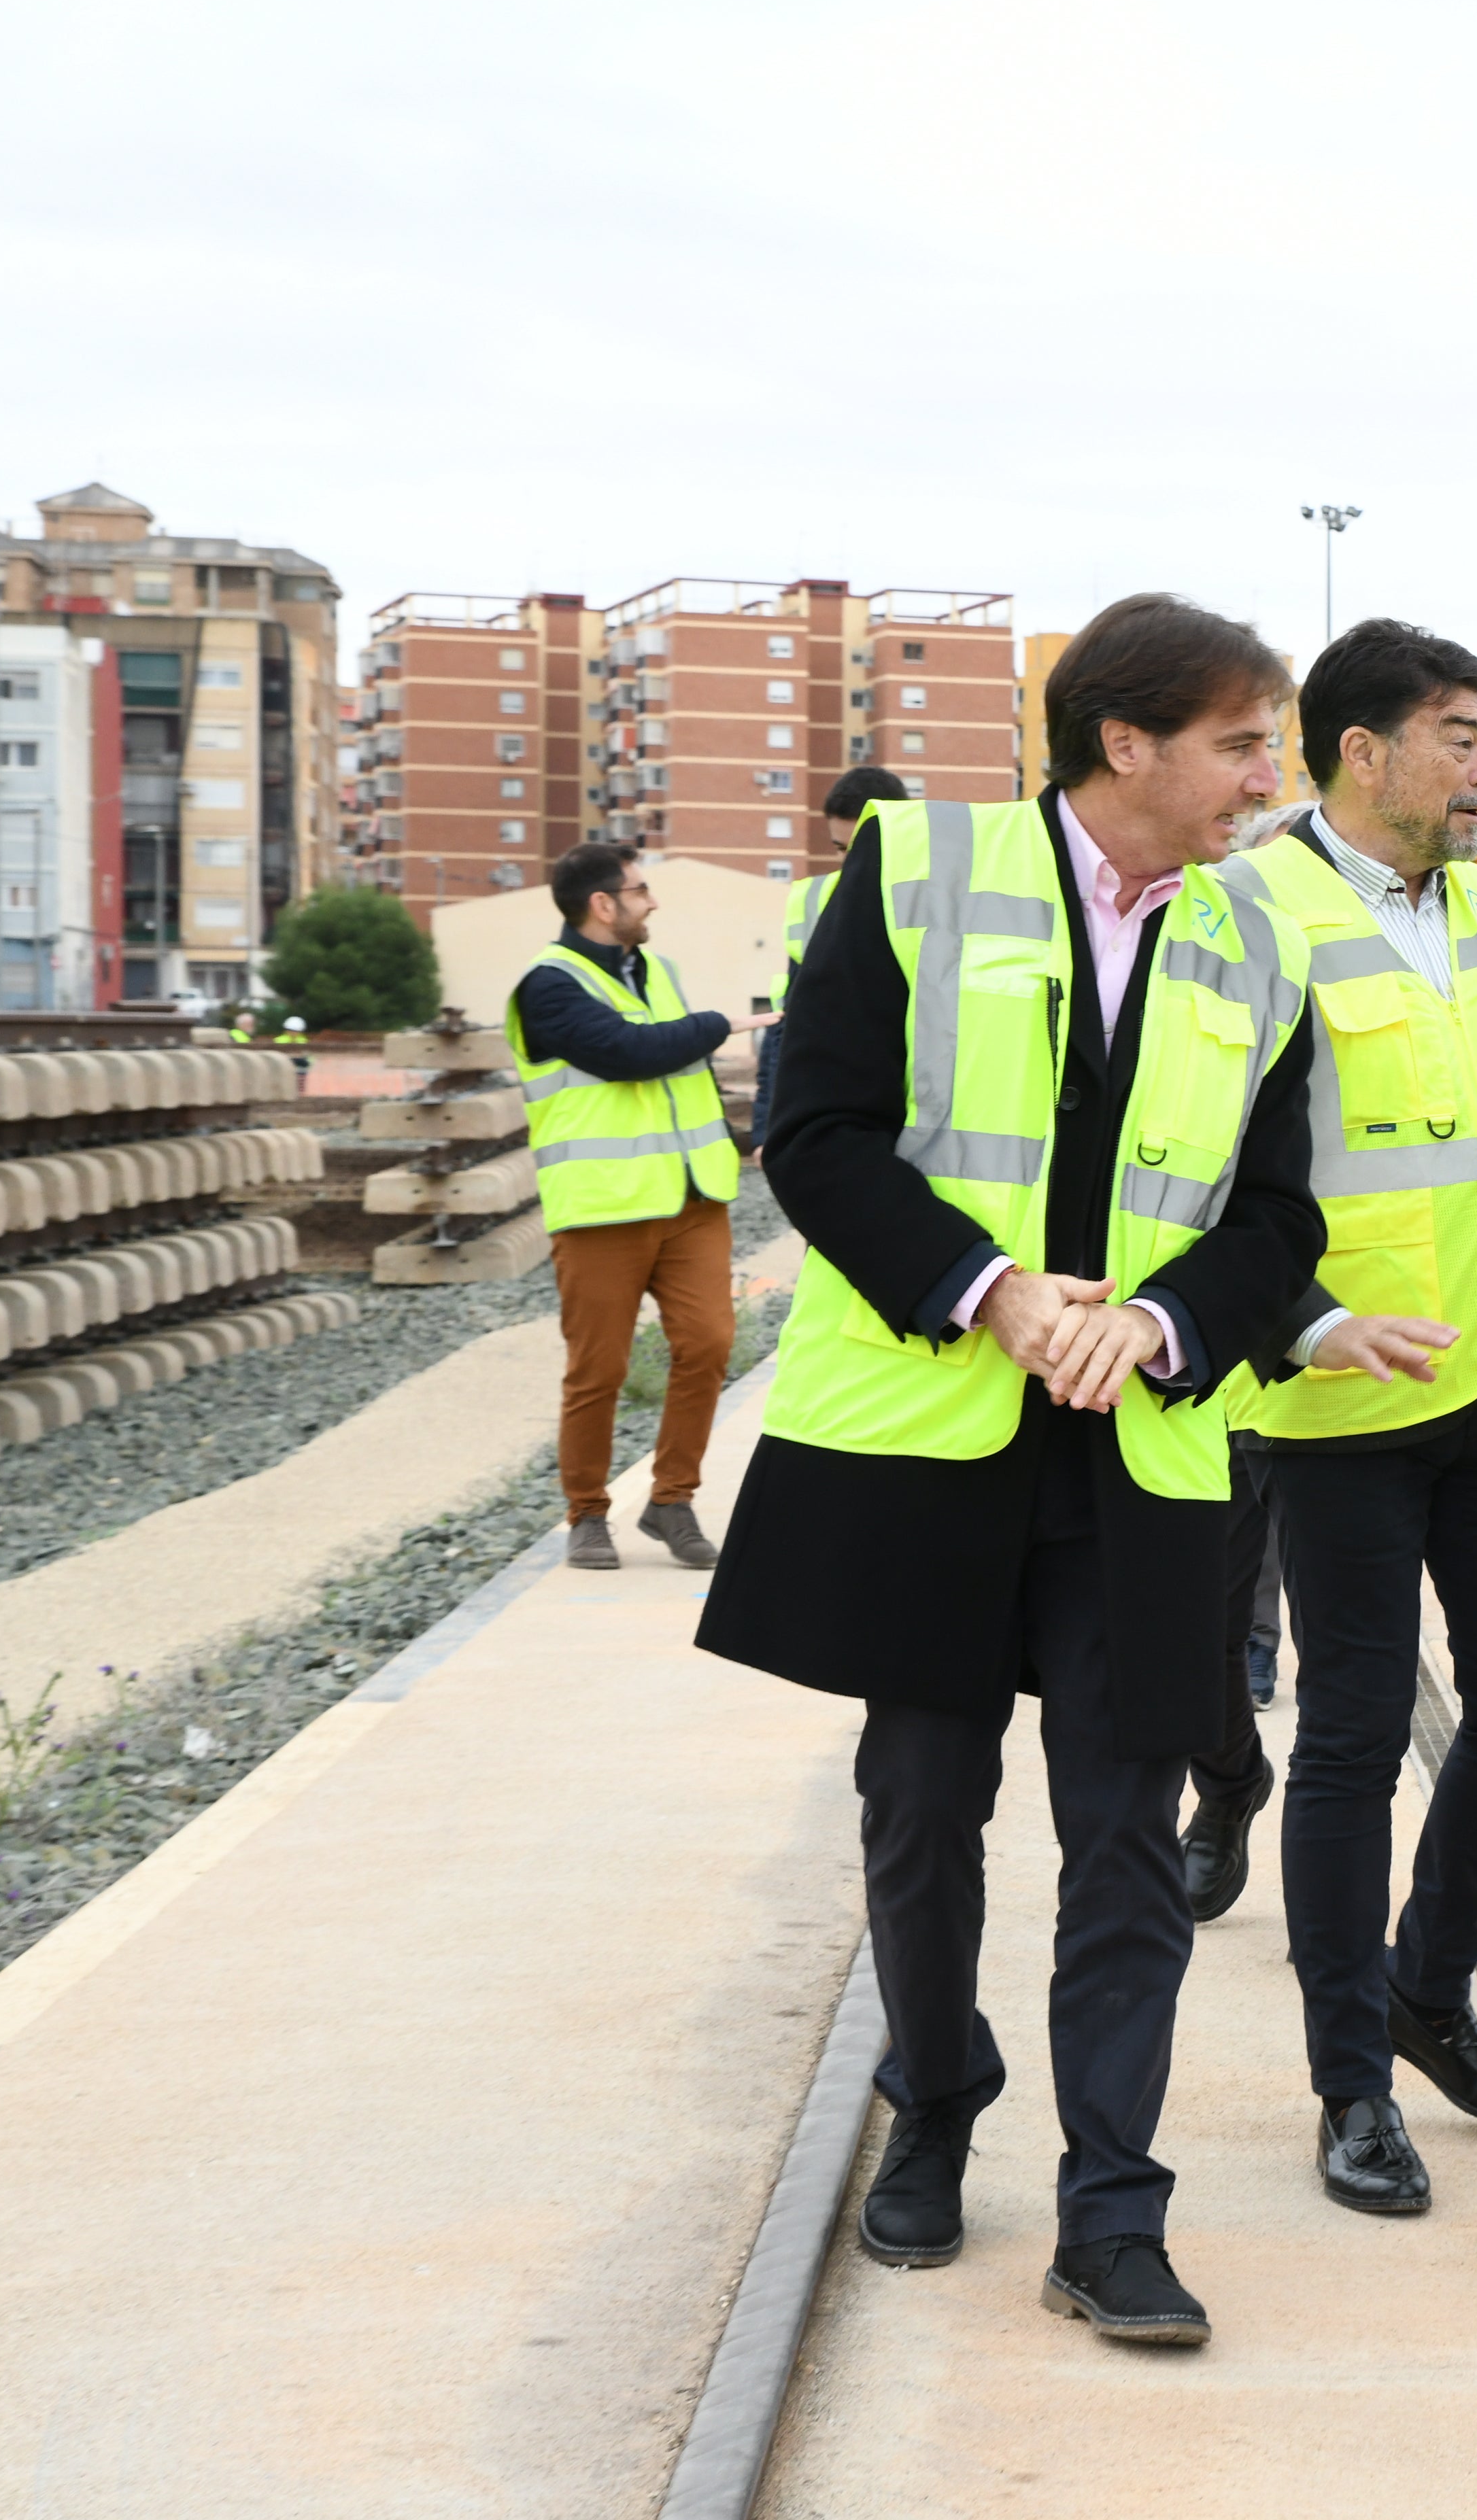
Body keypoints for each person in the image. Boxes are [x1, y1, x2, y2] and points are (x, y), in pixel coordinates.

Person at [696, 592, 1322, 2349]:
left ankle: (1113, 2211)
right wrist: (993, 1293)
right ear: (1126, 743)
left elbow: (1278, 1220)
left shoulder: (1261, 944)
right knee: (921, 1804)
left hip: (1140, 1455)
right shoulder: (916, 874)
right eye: (1240, 745)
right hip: (931, 1440)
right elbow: (815, 1133)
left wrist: (1167, 1324)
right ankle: (936, 2104)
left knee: (1124, 1835)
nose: (1263, 780)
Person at [1204, 617, 1477, 2226]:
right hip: (1347, 1389)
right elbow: (1202, 1160)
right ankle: (1351, 2081)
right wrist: (1300, 1320)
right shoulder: (1250, 914)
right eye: (1459, 735)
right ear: (1361, 751)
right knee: (1356, 1733)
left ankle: (1426, 1990)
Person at [511, 840, 764, 1573]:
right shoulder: (547, 986)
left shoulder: (660, 971)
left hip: (691, 1198)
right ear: (602, 904)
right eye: (640, 890)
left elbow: (683, 1078)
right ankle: (587, 1514)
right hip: (602, 1208)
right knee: (599, 1370)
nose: (652, 901)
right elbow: (627, 1052)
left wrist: (738, 1139)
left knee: (710, 1345)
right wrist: (721, 1024)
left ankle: (671, 1501)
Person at [781, 765, 913, 998]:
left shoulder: (928, 896)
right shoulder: (810, 897)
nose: (852, 861)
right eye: (842, 849)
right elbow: (797, 1003)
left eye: (862, 848)